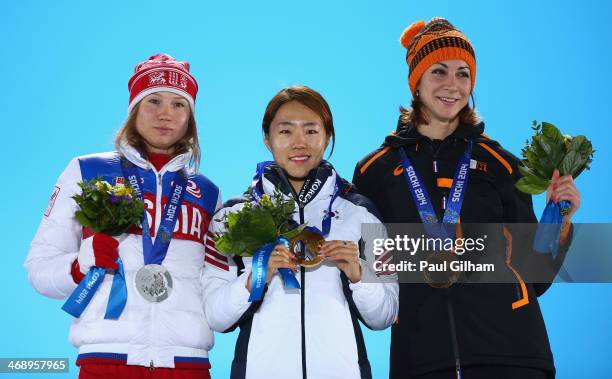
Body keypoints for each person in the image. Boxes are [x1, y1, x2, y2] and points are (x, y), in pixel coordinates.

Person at [352, 18, 580, 379]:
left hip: (513, 356)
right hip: (422, 359)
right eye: (439, 72)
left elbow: (536, 274)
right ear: (416, 82)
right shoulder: (375, 171)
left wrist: (560, 220)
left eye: (463, 74)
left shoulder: (501, 162)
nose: (452, 86)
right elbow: (369, 270)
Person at [25, 53, 224, 379]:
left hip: (187, 363)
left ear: (190, 117)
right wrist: (78, 266)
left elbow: (216, 283)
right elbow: (39, 268)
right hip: (105, 359)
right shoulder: (87, 171)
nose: (165, 114)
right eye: (154, 101)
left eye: (179, 104)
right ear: (134, 109)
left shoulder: (208, 194)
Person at [202, 85, 399, 379]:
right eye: (285, 131)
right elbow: (215, 316)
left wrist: (360, 275)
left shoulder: (362, 213)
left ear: (327, 136)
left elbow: (384, 316)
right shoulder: (232, 217)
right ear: (267, 139)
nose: (299, 143)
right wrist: (256, 274)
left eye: (311, 130)